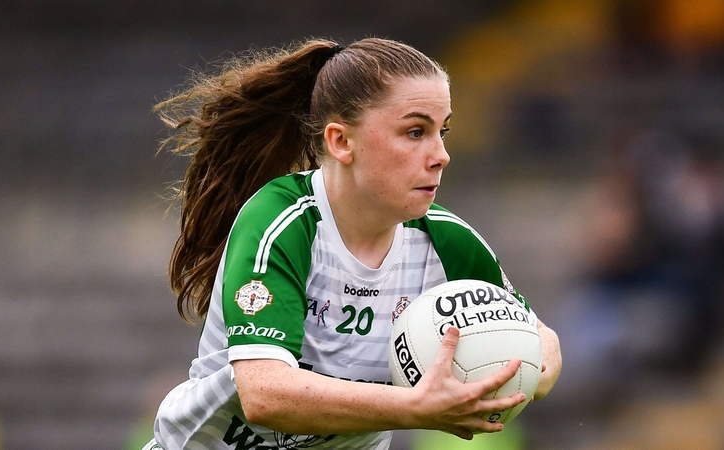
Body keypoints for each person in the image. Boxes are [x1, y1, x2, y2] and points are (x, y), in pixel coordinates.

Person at [145, 37, 562, 450]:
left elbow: (544, 344)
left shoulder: (450, 242)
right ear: (341, 141)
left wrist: (517, 364)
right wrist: (416, 406)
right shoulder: (284, 221)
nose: (441, 154)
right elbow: (264, 392)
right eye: (415, 131)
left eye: (442, 131)